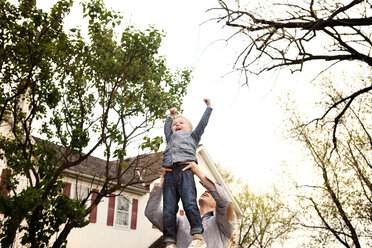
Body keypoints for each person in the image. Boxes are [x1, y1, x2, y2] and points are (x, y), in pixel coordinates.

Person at [145, 161, 235, 248]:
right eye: (206, 190)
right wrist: (164, 180)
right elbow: (152, 213)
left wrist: (198, 173)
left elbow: (226, 203)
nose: (206, 191)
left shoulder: (222, 224)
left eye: (211, 192)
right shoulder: (180, 222)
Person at [160, 99, 212, 248]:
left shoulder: (193, 137)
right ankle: (170, 241)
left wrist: (208, 108)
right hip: (169, 174)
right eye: (175, 123)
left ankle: (197, 235)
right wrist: (170, 116)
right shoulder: (170, 138)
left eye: (181, 123)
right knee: (168, 208)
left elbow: (202, 124)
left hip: (185, 172)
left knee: (189, 203)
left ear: (190, 129)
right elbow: (166, 128)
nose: (177, 124)